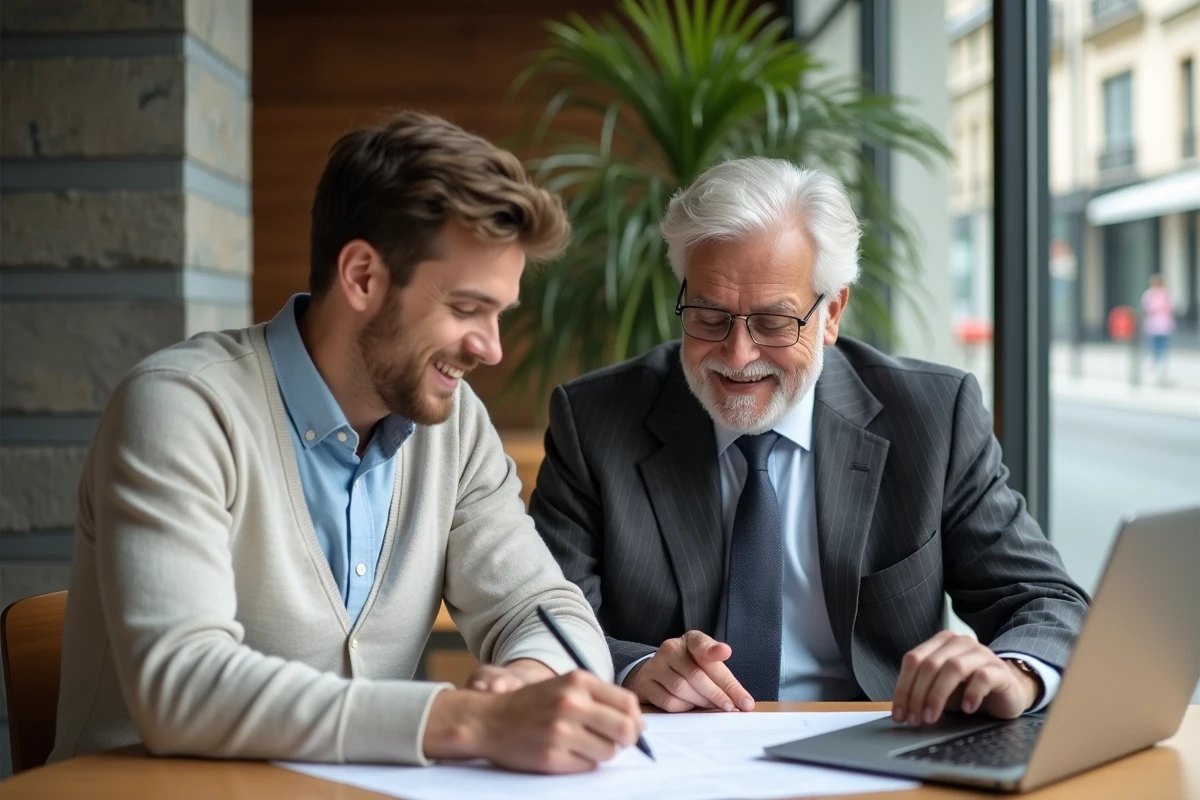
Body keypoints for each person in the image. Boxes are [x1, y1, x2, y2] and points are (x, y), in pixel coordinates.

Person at [50, 111, 643, 774]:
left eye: (499, 315)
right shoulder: (181, 408)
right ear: (362, 275)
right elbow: (181, 685)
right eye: (467, 308)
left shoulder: (457, 426)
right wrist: (470, 720)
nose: (492, 349)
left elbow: (549, 610)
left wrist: (527, 684)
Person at [531, 157, 1089, 729]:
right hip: (671, 750)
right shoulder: (594, 420)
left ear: (831, 312)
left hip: (876, 749)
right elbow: (543, 612)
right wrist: (637, 667)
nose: (738, 355)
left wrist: (1015, 672)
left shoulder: (931, 417)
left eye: (774, 323)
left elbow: (1046, 601)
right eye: (709, 316)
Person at [1141, 273, 1175, 384]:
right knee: (1155, 349)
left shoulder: (1165, 295)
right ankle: (1155, 373)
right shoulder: (1150, 295)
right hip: (1155, 326)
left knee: (1162, 350)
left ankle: (1160, 374)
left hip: (1163, 326)